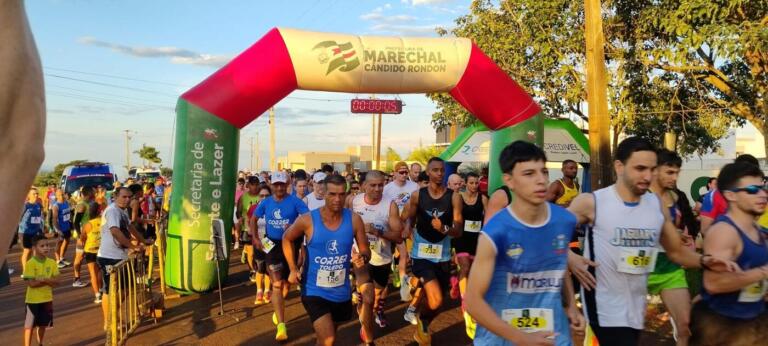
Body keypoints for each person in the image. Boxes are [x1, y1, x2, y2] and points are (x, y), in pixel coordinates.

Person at [566, 137, 737, 346]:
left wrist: (705, 260)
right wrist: (570, 257)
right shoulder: (592, 202)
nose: (647, 176)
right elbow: (548, 234)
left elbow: (675, 252)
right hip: (604, 304)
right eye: (640, 168)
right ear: (619, 167)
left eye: (651, 169)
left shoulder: (656, 205)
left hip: (635, 305)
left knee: (685, 326)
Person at [466, 141, 585, 345]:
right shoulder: (495, 232)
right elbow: (472, 301)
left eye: (544, 172)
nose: (541, 180)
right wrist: (522, 338)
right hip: (502, 339)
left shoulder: (563, 220)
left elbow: (558, 263)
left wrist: (572, 307)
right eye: (529, 174)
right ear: (509, 180)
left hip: (553, 335)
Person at [284, 174, 372, 346]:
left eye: (341, 194)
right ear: (323, 194)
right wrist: (293, 268)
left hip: (341, 290)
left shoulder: (354, 220)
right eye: (332, 194)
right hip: (313, 290)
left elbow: (365, 249)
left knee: (326, 338)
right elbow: (287, 238)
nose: (337, 199)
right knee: (328, 338)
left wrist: (362, 258)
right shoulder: (307, 220)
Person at [689, 162, 768, 345]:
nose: (762, 194)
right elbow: (714, 283)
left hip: (755, 323)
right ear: (731, 195)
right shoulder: (724, 232)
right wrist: (763, 273)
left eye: (763, 187)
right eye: (752, 189)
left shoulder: (757, 231)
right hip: (724, 328)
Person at [401, 157, 463, 345]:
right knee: (435, 299)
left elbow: (458, 230)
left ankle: (423, 320)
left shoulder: (454, 197)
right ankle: (411, 281)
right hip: (421, 253)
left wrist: (443, 228)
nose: (439, 174)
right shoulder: (418, 195)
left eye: (441, 170)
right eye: (435, 170)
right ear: (427, 173)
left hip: (442, 255)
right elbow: (408, 217)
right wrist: (406, 226)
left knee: (437, 303)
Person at [253, 171, 309, 341]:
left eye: (282, 184)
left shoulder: (295, 202)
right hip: (272, 245)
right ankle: (281, 326)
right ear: (271, 185)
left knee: (288, 282)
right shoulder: (266, 202)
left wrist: (294, 226)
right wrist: (255, 238)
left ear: (287, 185)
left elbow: (308, 218)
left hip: (291, 243)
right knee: (277, 283)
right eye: (276, 184)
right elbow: (253, 219)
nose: (279, 187)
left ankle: (279, 309)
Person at [646, 149, 692, 345]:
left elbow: (678, 229)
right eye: (669, 172)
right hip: (639, 268)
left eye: (677, 172)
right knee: (627, 331)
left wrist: (681, 236)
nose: (675, 177)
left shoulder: (675, 197)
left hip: (670, 267)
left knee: (686, 326)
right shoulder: (641, 194)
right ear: (655, 171)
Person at [348, 170, 403, 330]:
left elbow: (398, 237)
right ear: (364, 186)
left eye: (381, 185)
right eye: (373, 185)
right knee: (366, 293)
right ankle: (365, 322)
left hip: (382, 257)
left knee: (377, 293)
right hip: (360, 256)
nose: (378, 189)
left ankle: (370, 311)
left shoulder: (390, 205)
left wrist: (377, 232)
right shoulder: (354, 201)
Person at [97, 187, 152, 329]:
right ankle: (109, 321)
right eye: (124, 197)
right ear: (115, 196)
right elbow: (115, 231)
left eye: (129, 197)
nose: (127, 200)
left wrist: (143, 240)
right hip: (109, 257)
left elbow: (130, 227)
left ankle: (112, 316)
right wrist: (132, 246)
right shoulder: (113, 211)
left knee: (126, 288)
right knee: (109, 291)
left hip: (120, 256)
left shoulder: (122, 211)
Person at [451, 171, 487, 338]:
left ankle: (455, 281)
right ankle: (466, 302)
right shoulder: (458, 198)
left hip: (476, 239)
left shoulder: (483, 199)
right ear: (465, 183)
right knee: (465, 266)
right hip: (461, 238)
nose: (474, 186)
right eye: (471, 183)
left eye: (476, 183)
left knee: (470, 270)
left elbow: (488, 218)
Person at [383, 161, 420, 301]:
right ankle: (393, 271)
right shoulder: (388, 189)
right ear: (395, 173)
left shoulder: (414, 187)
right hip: (390, 225)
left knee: (406, 253)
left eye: (406, 172)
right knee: (390, 254)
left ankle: (404, 282)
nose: (404, 175)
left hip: (408, 224)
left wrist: (408, 226)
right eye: (401, 172)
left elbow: (414, 210)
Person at [700, 154, 761, 235]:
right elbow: (705, 229)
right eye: (747, 173)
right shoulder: (714, 195)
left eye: (754, 174)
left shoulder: (760, 194)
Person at [22, 234, 58, 346]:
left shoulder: (52, 263)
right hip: (32, 301)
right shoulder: (30, 264)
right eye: (42, 246)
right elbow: (31, 284)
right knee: (29, 327)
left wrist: (43, 279)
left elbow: (57, 282)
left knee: (43, 325)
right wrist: (48, 281)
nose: (46, 248)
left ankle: (40, 343)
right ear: (34, 248)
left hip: (47, 299)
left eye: (47, 245)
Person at [248, 184, 273, 305]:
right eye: (261, 195)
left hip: (270, 241)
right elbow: (250, 225)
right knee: (259, 267)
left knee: (268, 267)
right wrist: (254, 238)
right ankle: (259, 291)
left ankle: (267, 290)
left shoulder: (274, 208)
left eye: (267, 196)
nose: (264, 198)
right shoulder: (253, 208)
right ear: (258, 196)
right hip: (258, 241)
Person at [71, 186, 96, 288]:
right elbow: (76, 222)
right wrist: (80, 237)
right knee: (79, 257)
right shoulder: (81, 205)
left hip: (88, 234)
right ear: (89, 193)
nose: (95, 194)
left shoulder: (88, 203)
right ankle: (76, 279)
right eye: (93, 192)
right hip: (82, 235)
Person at [237, 176, 261, 282]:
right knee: (251, 253)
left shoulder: (262, 196)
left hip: (261, 228)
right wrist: (240, 217)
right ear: (248, 185)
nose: (255, 187)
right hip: (247, 229)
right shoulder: (243, 197)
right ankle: (252, 270)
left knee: (261, 252)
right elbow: (238, 212)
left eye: (257, 185)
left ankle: (261, 271)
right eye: (252, 184)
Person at [19, 188, 45, 274]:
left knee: (34, 250)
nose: (36, 195)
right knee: (27, 251)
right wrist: (20, 230)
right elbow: (19, 218)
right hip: (25, 232)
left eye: (37, 193)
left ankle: (30, 268)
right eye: (34, 194)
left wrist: (41, 228)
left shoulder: (38, 205)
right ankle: (25, 271)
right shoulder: (26, 206)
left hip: (35, 232)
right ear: (29, 195)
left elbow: (40, 219)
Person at [82, 201, 104, 303]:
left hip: (90, 250)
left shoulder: (88, 224)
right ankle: (101, 289)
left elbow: (83, 237)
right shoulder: (104, 221)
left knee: (93, 273)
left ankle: (97, 295)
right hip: (101, 249)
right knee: (100, 271)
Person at [52, 189, 73, 269]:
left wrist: (72, 222)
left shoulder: (66, 202)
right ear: (57, 196)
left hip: (67, 226)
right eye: (60, 195)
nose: (62, 196)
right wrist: (58, 230)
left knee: (67, 241)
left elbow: (69, 213)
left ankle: (62, 257)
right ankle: (57, 261)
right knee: (59, 243)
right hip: (60, 228)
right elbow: (54, 219)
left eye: (63, 194)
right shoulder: (56, 205)